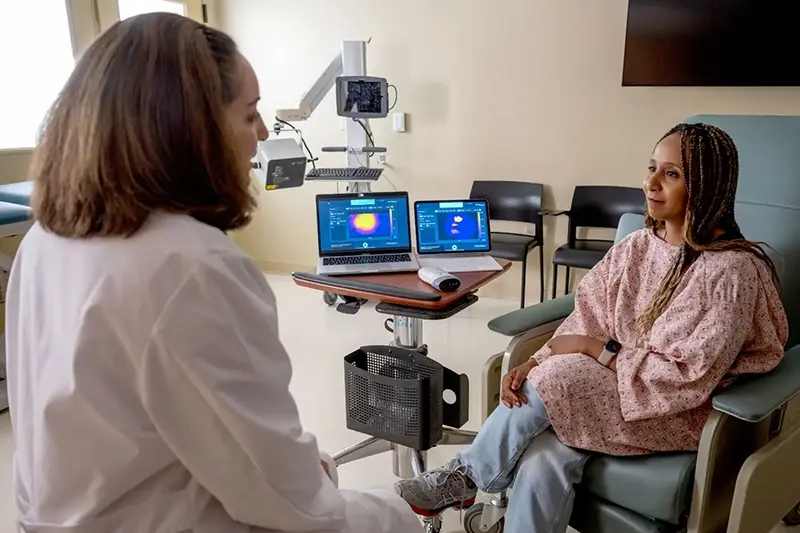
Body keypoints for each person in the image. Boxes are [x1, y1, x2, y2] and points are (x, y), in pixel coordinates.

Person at [6, 13, 421, 533]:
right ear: (187, 129)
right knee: (396, 516)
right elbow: (289, 502)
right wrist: (388, 508)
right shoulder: (190, 266)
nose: (264, 133)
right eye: (249, 115)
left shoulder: (45, 240)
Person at [394, 123, 788, 533]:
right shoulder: (637, 246)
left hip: (675, 409)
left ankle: (467, 478)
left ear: (708, 186)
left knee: (562, 378)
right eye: (652, 168)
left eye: (672, 174)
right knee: (543, 454)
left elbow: (689, 376)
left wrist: (595, 352)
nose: (651, 183)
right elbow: (588, 315)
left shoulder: (730, 271)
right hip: (609, 390)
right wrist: (536, 360)